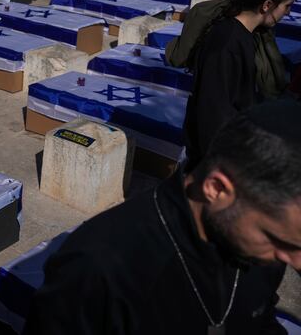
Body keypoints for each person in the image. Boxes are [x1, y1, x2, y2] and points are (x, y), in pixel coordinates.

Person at [23, 99, 301, 334]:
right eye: (278, 240)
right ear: (217, 189)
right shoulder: (99, 267)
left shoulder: (274, 246)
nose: (296, 262)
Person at [173, 0, 298, 170]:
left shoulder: (246, 36)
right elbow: (212, 112)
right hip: (215, 160)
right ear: (267, 5)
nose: (288, 12)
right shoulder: (227, 42)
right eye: (287, 6)